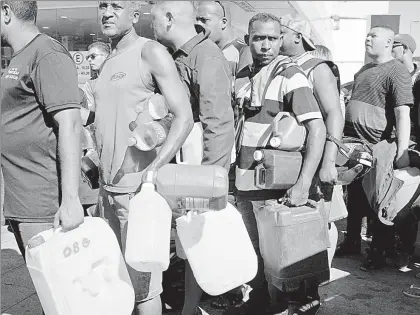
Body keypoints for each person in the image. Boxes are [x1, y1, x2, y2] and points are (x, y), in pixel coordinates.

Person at [93, 1, 194, 315]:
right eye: (102, 6)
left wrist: (154, 172)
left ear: (134, 16)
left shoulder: (150, 52)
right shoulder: (109, 59)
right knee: (117, 283)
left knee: (143, 291)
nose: (107, 12)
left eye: (116, 6)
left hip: (138, 195)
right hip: (107, 191)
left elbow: (185, 117)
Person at [234, 13, 327, 315]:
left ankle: (302, 306)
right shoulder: (241, 76)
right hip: (246, 181)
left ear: (281, 40)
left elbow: (317, 128)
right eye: (258, 38)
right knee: (255, 252)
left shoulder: (290, 74)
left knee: (290, 257)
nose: (265, 45)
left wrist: (303, 185)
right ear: (248, 40)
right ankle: (260, 302)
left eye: (272, 39)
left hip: (278, 187)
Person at [149, 2, 235, 315]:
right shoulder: (176, 55)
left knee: (196, 237)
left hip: (197, 163)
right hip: (181, 162)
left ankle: (190, 308)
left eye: (154, 17)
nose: (152, 23)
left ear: (169, 19)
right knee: (184, 238)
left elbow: (219, 123)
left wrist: (211, 181)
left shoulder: (206, 55)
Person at [1, 0, 84, 261]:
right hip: (21, 198)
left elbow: (70, 123)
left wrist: (71, 200)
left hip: (41, 201)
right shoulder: (21, 55)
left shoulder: (46, 52)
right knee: (45, 286)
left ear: (6, 12)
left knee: (59, 290)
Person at [194, 1, 253, 310]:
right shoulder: (200, 52)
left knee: (225, 220)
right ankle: (214, 283)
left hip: (228, 154)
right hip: (204, 153)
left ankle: (233, 286)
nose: (198, 24)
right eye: (196, 18)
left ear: (223, 21)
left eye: (204, 18)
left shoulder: (239, 53)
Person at [342, 26, 413, 271]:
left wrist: (402, 152)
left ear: (389, 42)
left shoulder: (397, 70)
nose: (367, 38)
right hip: (354, 145)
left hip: (379, 146)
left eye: (373, 36)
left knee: (379, 199)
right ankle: (351, 241)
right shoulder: (364, 69)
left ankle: (379, 251)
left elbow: (403, 113)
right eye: (367, 35)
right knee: (355, 196)